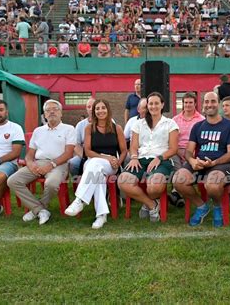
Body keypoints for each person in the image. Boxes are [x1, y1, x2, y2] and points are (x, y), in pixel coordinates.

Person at [172, 92, 230, 227]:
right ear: (203, 105)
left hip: (222, 164)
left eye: (213, 101)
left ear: (218, 104)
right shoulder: (197, 126)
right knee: (178, 180)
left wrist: (214, 162)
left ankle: (218, 207)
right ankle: (202, 206)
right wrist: (192, 161)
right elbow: (189, 151)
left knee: (212, 185)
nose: (210, 105)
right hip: (200, 163)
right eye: (207, 102)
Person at [7, 99, 76, 225]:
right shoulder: (38, 131)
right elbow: (29, 154)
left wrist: (51, 165)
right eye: (48, 110)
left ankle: (37, 209)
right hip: (38, 163)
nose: (51, 112)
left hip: (59, 164)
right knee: (12, 180)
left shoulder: (69, 129)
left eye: (55, 109)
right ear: (44, 115)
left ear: (61, 113)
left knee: (51, 184)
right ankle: (40, 210)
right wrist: (30, 163)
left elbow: (69, 153)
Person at [65, 100, 127, 229]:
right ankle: (101, 215)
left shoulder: (117, 128)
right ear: (94, 112)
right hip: (92, 160)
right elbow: (87, 151)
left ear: (108, 109)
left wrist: (118, 162)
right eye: (97, 109)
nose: (100, 111)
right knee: (96, 173)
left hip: (111, 166)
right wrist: (105, 157)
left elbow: (124, 151)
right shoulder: (89, 128)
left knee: (95, 166)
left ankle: (80, 200)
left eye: (103, 108)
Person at [118, 92, 179, 222]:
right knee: (122, 181)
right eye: (150, 104)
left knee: (154, 187)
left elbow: (174, 149)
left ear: (162, 105)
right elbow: (133, 146)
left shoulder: (170, 123)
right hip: (140, 159)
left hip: (162, 160)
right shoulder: (138, 124)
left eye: (156, 103)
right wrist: (134, 157)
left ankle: (148, 204)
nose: (153, 106)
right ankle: (152, 204)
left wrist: (160, 158)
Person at [169, 92, 205, 207]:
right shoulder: (174, 119)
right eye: (185, 103)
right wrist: (177, 150)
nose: (188, 105)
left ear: (195, 104)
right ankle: (178, 190)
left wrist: (191, 153)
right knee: (173, 160)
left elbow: (202, 140)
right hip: (176, 150)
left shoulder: (201, 120)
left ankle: (176, 192)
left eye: (190, 102)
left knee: (186, 163)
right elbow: (171, 139)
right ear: (183, 104)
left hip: (194, 151)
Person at [69, 97, 95, 176]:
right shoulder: (80, 125)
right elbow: (76, 145)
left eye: (93, 106)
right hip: (85, 154)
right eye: (89, 107)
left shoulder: (109, 121)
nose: (91, 109)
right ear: (86, 109)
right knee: (73, 163)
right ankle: (78, 184)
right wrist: (84, 157)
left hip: (103, 153)